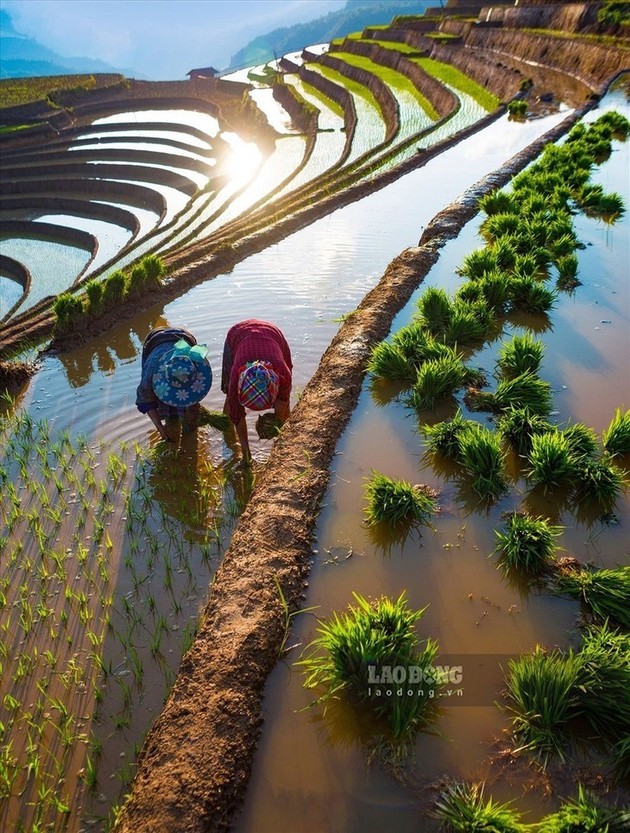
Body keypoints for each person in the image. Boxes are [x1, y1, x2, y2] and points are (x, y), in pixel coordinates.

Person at [221, 319, 292, 463]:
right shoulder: (236, 381)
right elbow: (238, 414)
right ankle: (226, 430)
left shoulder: (283, 375)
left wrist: (276, 425)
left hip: (273, 334)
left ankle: (284, 443)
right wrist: (245, 453)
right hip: (237, 334)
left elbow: (283, 402)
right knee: (230, 397)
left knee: (285, 402)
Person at [136, 326, 212, 441]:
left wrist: (192, 409)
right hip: (155, 341)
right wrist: (159, 427)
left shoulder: (193, 364)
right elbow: (146, 401)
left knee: (191, 408)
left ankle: (190, 425)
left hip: (185, 338)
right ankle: (170, 419)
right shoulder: (151, 373)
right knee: (166, 409)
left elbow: (197, 390)